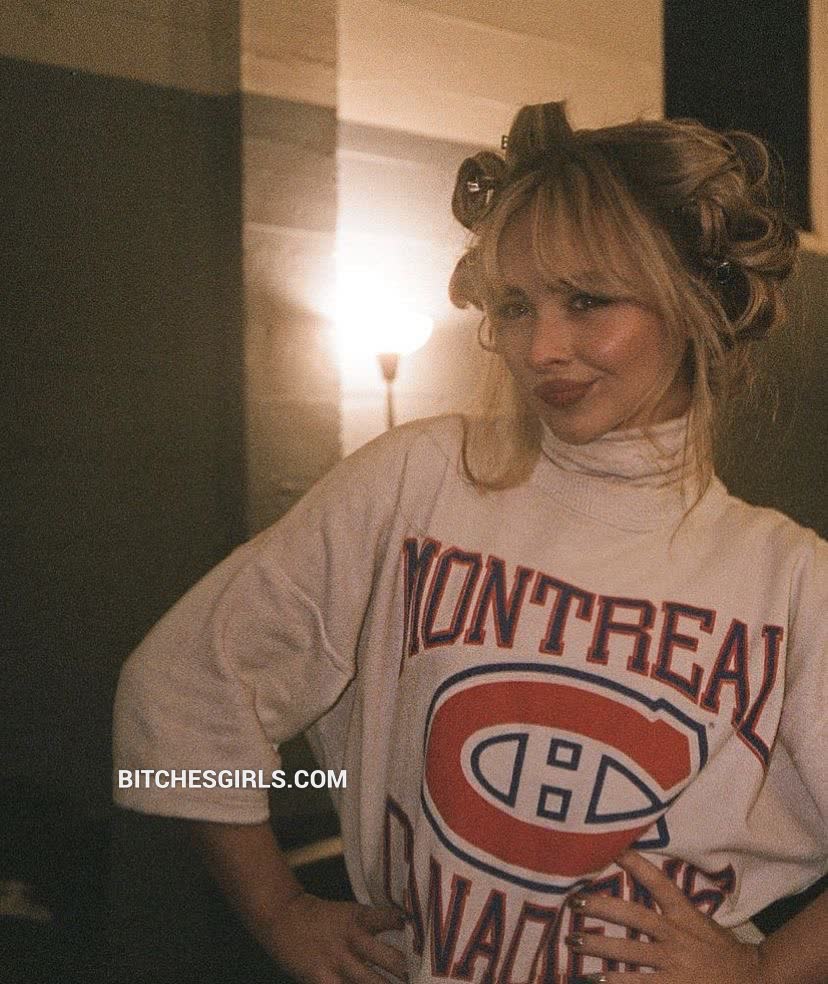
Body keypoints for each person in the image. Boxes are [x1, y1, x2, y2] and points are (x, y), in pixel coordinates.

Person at [113, 102, 827, 984]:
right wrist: (278, 910)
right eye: (516, 306)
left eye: (588, 300)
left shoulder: (789, 579)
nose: (542, 348)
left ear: (691, 304)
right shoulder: (420, 481)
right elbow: (182, 688)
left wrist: (762, 970)